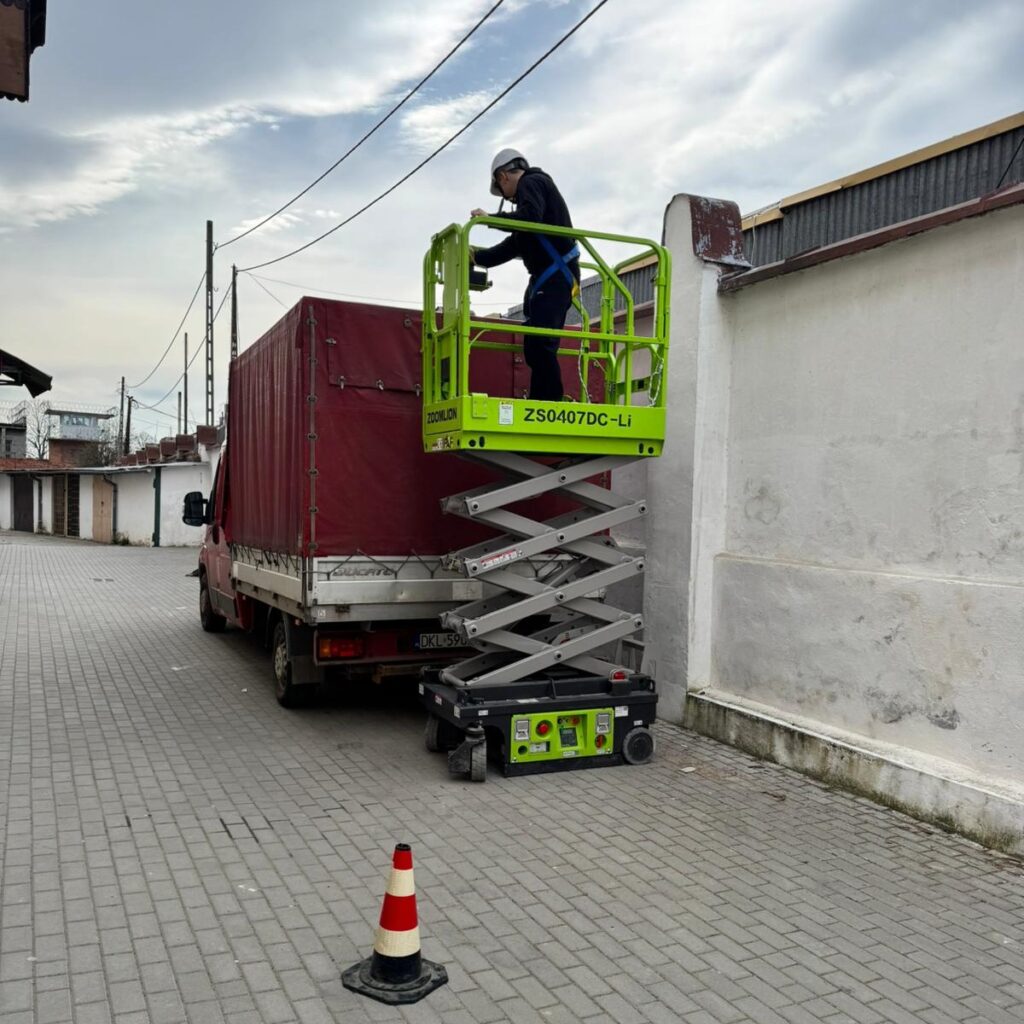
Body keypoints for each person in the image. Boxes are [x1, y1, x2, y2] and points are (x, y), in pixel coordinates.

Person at [469, 148, 579, 401]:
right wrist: (476, 256)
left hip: (556, 277)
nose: (510, 201)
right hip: (551, 278)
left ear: (503, 177)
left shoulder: (532, 182)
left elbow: (528, 217)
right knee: (537, 342)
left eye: (504, 194)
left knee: (540, 343)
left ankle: (548, 402)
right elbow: (513, 245)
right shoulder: (533, 207)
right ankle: (546, 399)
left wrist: (490, 218)